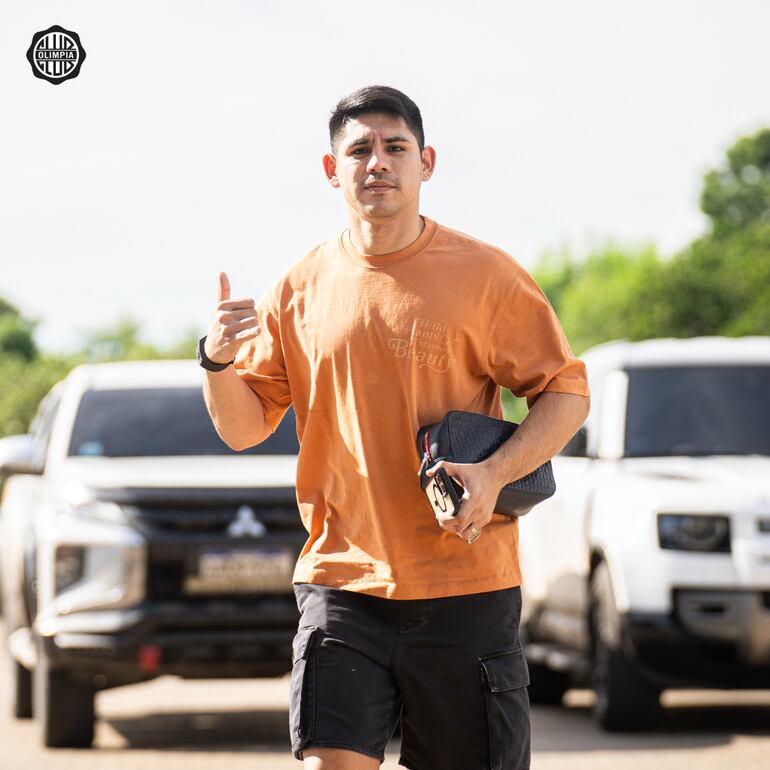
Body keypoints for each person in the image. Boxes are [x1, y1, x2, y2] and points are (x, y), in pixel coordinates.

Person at [199, 85, 590, 770]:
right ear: (333, 170)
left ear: (425, 162)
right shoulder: (297, 289)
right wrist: (217, 361)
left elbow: (566, 392)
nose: (377, 161)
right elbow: (243, 427)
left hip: (466, 580)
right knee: (330, 762)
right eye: (359, 150)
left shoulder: (487, 276)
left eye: (395, 147)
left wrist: (494, 474)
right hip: (342, 581)